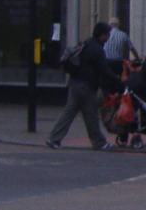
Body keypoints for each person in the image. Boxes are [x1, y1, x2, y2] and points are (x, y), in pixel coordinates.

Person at [46, 22, 122, 150]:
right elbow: (104, 70)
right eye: (107, 34)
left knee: (69, 111)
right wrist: (118, 81)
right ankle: (99, 142)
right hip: (86, 86)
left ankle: (53, 138)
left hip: (75, 82)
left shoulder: (87, 44)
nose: (109, 37)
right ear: (102, 35)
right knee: (91, 114)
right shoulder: (97, 49)